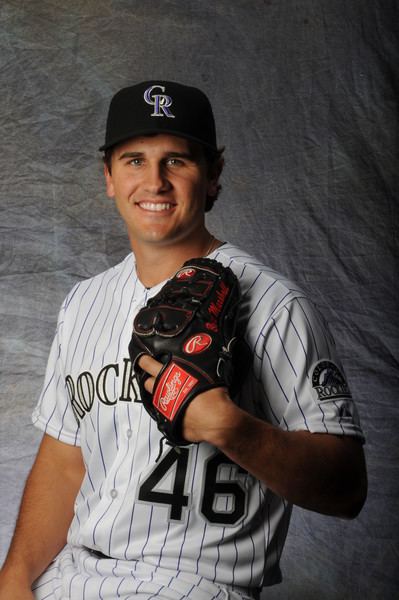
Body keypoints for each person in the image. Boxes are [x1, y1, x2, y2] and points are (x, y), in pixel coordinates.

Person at [0, 80, 367, 600]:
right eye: (134, 161)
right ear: (108, 176)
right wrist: (13, 578)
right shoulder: (83, 303)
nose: (154, 181)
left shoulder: (273, 306)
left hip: (194, 584)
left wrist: (232, 429)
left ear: (213, 176)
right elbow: (65, 459)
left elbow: (347, 489)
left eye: (177, 161)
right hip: (71, 578)